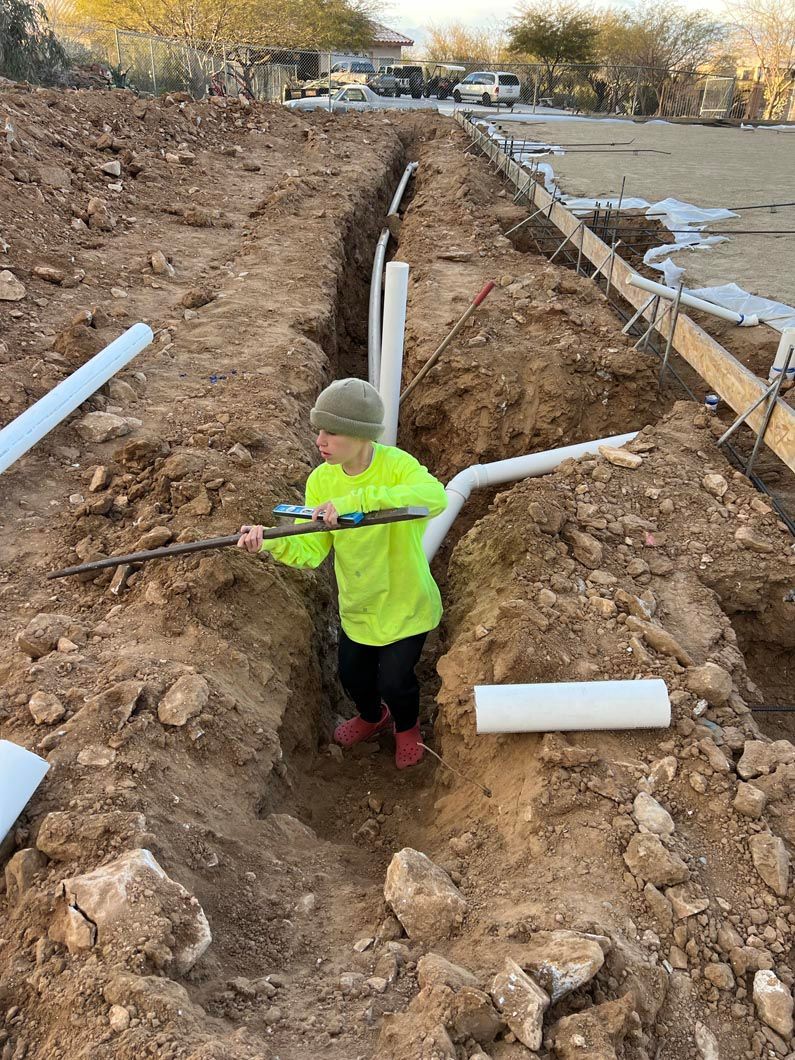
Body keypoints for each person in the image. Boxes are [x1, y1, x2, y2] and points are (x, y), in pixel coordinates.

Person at [237, 378, 448, 769]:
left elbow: (435, 497)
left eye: (331, 432)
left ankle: (407, 727)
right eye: (319, 430)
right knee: (353, 676)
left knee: (396, 682)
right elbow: (311, 550)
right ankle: (373, 716)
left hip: (406, 604)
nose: (320, 441)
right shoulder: (321, 480)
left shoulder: (396, 466)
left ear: (361, 434)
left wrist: (359, 501)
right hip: (359, 606)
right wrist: (270, 542)